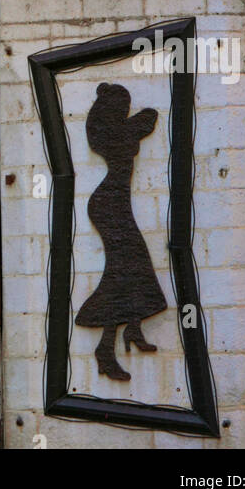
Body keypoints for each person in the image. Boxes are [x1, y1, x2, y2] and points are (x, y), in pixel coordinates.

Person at [75, 82, 166, 382]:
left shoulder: (110, 131)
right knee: (122, 271)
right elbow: (149, 117)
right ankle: (106, 348)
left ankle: (133, 328)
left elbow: (148, 118)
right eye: (122, 105)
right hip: (110, 203)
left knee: (134, 265)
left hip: (112, 201)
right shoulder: (115, 133)